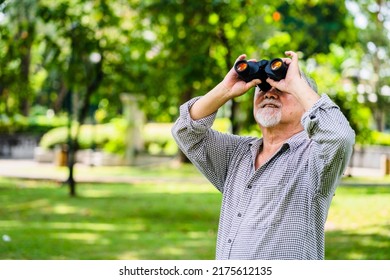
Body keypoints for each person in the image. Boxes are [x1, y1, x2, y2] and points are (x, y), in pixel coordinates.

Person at [171, 50, 355, 260]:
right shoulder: (236, 154)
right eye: (263, 88)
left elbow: (340, 136)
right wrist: (225, 89)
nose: (269, 93)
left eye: (282, 88)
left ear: (305, 103)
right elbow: (185, 131)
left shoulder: (315, 158)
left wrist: (295, 82)